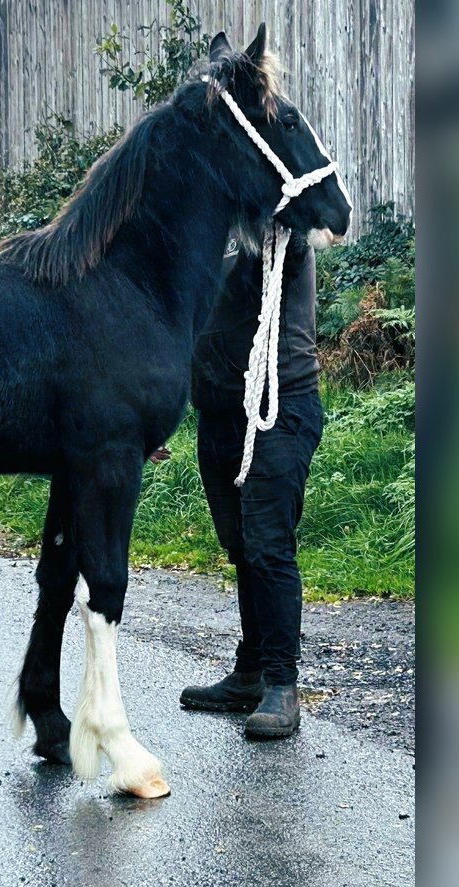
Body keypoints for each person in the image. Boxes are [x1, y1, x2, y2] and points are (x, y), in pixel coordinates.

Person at [177, 229, 324, 739]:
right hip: (218, 416)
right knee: (241, 548)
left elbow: (294, 222)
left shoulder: (280, 241)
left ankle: (282, 684)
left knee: (268, 548)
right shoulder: (205, 242)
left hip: (277, 411)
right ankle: (250, 673)